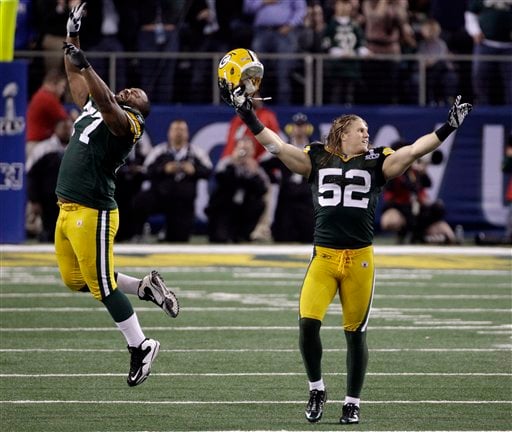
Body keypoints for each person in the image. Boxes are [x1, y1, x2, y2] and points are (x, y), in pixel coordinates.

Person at [228, 88, 471, 424]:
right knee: (307, 324)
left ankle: (352, 402)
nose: (367, 135)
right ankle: (316, 388)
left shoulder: (376, 161)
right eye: (361, 130)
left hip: (359, 259)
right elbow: (276, 146)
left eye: (368, 131)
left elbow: (414, 150)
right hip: (324, 257)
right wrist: (245, 112)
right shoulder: (316, 157)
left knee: (355, 334)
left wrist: (448, 127)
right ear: (342, 133)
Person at [55, 3, 179, 387]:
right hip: (67, 207)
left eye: (137, 92)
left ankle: (140, 345)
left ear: (141, 107)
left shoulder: (130, 123)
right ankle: (145, 287)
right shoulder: (95, 103)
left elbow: (108, 101)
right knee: (75, 281)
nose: (130, 89)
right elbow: (75, 74)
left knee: (102, 287)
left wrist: (87, 62)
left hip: (94, 210)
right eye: (130, 88)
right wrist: (72, 33)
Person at [132, 119, 213, 242]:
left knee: (178, 240)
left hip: (183, 202)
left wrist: (194, 170)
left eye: (182, 130)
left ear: (187, 133)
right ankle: (138, 230)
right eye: (175, 130)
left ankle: (168, 231)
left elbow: (209, 171)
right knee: (140, 200)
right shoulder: (159, 151)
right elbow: (146, 171)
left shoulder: (197, 152)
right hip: (160, 196)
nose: (178, 133)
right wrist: (163, 169)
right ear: (169, 132)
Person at [380, 146, 457, 244]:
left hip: (418, 213)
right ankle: (404, 232)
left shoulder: (416, 173)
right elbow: (393, 187)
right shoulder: (395, 170)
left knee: (447, 234)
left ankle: (422, 235)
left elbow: (427, 185)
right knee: (390, 221)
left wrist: (422, 172)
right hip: (400, 209)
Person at [260, 112, 314, 243]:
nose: (299, 129)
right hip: (287, 195)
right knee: (283, 236)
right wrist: (274, 179)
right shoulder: (283, 147)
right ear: (292, 127)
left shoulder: (314, 148)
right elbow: (264, 164)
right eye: (297, 126)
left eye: (302, 126)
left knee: (309, 235)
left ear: (307, 128)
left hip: (306, 195)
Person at [206, 136, 269, 243]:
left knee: (259, 203)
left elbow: (263, 190)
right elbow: (218, 181)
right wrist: (233, 165)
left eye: (247, 150)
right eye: (241, 149)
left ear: (253, 151)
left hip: (244, 209)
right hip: (225, 208)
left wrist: (253, 174)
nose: (243, 153)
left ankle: (244, 233)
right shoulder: (226, 163)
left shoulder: (256, 168)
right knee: (220, 238)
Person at [26, 117, 73, 242]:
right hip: (49, 198)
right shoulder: (44, 149)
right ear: (55, 129)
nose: (67, 131)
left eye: (69, 128)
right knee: (50, 231)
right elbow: (32, 175)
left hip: (72, 198)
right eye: (64, 128)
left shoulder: (77, 148)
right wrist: (34, 199)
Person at [26, 68, 69, 157]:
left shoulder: (41, 95)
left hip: (37, 144)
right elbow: (65, 120)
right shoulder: (47, 98)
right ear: (53, 84)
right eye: (62, 87)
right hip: (38, 146)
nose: (63, 91)